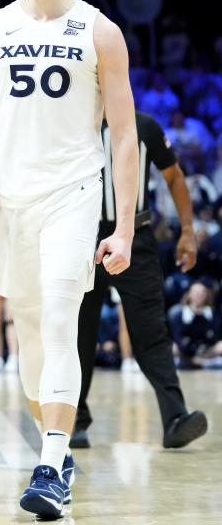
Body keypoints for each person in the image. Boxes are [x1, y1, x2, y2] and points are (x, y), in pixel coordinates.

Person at [0, 0, 139, 519]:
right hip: (9, 199)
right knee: (31, 336)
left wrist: (126, 226)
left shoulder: (100, 31)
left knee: (62, 318)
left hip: (74, 193)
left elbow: (122, 136)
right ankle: (55, 452)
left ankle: (50, 462)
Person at [74, 110, 207, 449]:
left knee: (152, 332)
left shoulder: (144, 124)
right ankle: (73, 420)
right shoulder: (72, 118)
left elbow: (174, 176)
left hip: (135, 238)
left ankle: (175, 418)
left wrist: (188, 230)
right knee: (78, 333)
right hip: (80, 238)